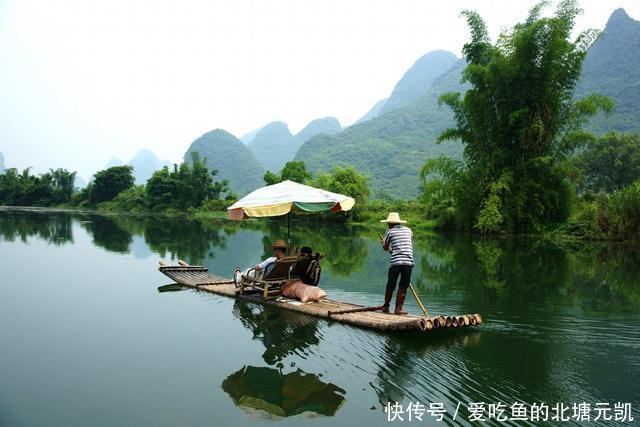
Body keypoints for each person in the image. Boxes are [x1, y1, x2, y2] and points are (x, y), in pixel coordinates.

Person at [379, 212, 414, 315]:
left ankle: (385, 306)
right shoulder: (408, 230)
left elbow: (386, 248)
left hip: (396, 262)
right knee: (403, 286)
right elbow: (411, 244)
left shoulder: (390, 232)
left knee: (391, 284)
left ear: (390, 223)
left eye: (388, 223)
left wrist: (383, 244)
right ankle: (398, 309)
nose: (388, 225)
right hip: (408, 261)